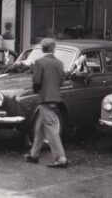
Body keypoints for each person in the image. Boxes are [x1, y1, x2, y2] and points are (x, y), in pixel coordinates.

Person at [25, 38, 68, 168]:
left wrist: (37, 91)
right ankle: (34, 154)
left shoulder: (40, 62)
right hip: (55, 97)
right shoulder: (59, 63)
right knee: (41, 127)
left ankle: (61, 158)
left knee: (50, 127)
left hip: (44, 98)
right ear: (53, 48)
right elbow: (61, 81)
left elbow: (36, 80)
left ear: (43, 48)